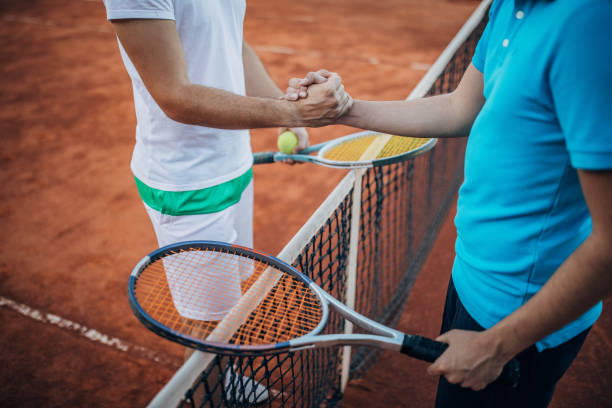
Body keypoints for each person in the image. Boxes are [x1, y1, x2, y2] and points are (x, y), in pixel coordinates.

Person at [287, 1, 612, 406]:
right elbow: (462, 107)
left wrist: (499, 344)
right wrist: (344, 110)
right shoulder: (508, 5)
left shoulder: (594, 27)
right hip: (472, 276)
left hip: (520, 315)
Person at [101, 0, 351, 404]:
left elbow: (232, 41)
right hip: (188, 184)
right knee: (207, 327)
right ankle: (210, 395)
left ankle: (225, 378)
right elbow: (174, 96)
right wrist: (291, 111)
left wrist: (287, 111)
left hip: (235, 161)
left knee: (230, 305)